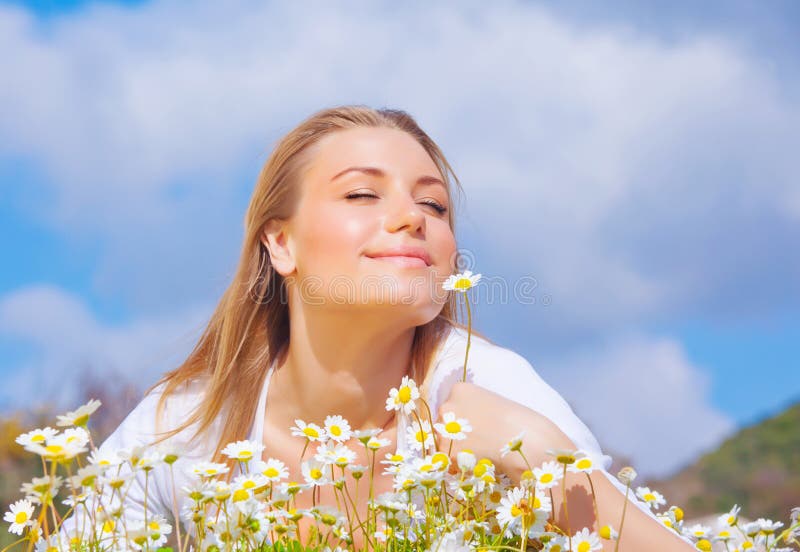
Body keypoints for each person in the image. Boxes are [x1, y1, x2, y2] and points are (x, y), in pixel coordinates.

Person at [62, 105, 693, 551]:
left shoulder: (493, 395)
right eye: (363, 195)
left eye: (433, 204)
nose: (411, 218)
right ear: (280, 244)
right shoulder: (188, 426)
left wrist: (533, 448)